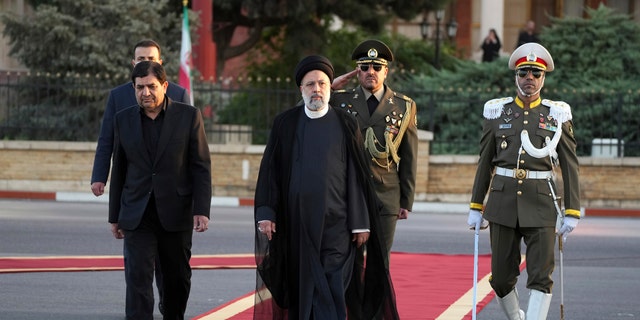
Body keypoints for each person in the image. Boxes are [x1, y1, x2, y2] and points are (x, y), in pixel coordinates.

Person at [253, 55, 398, 319]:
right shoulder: (285, 123)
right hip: (297, 225)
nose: (316, 89)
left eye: (322, 83)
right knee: (302, 288)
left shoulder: (345, 123)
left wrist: (360, 222)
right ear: (301, 89)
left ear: (330, 87)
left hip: (337, 226)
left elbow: (356, 175)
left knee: (332, 288)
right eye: (310, 84)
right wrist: (266, 212)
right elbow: (270, 171)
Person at [467, 42, 581, 320]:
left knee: (541, 276)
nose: (529, 78)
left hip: (542, 203)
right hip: (503, 203)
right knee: (502, 279)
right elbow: (485, 163)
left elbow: (569, 165)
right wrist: (475, 204)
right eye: (524, 73)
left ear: (543, 78)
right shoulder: (497, 113)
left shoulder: (556, 114)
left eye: (535, 73)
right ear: (516, 77)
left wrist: (572, 210)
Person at [91, 39, 189, 314]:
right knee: (138, 270)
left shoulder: (180, 94)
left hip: (170, 199)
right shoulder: (119, 96)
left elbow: (190, 150)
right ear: (132, 63)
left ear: (161, 64)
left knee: (170, 271)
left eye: (152, 58)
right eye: (141, 58)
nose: (145, 92)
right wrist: (100, 176)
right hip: (136, 200)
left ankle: (167, 303)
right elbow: (107, 140)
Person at [109, 61, 211, 320]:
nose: (146, 93)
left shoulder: (189, 116)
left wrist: (201, 210)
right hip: (136, 215)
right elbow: (119, 168)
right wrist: (115, 216)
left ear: (164, 86)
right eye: (140, 87)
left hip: (176, 213)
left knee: (176, 279)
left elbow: (200, 166)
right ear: (133, 88)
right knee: (137, 279)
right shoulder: (123, 120)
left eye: (152, 87)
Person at [331, 39, 418, 266]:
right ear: (357, 72)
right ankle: (354, 303)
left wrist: (405, 200)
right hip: (348, 193)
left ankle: (378, 303)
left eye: (377, 67)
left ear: (385, 72)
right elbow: (306, 109)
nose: (371, 72)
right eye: (365, 67)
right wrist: (329, 88)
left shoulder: (403, 106)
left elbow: (409, 156)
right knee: (351, 260)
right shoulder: (339, 101)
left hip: (386, 194)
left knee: (380, 261)